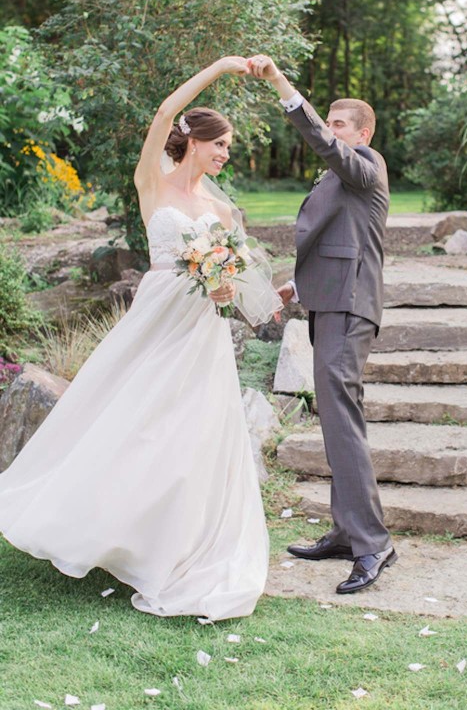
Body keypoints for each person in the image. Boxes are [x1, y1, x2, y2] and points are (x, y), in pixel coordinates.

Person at [0, 55, 281, 619]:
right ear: (193, 141)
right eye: (219, 144)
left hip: (201, 328)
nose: (225, 154)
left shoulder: (220, 205)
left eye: (228, 147)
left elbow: (239, 272)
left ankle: (173, 544)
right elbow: (163, 110)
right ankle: (93, 523)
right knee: (127, 417)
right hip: (156, 321)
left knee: (193, 432)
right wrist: (223, 67)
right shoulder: (152, 182)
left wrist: (228, 289)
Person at [247, 54, 396, 594]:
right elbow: (338, 243)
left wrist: (283, 87)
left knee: (344, 422)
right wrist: (294, 286)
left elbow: (328, 149)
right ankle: (346, 532)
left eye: (339, 125)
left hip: (351, 308)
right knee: (335, 422)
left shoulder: (366, 164)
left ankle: (373, 544)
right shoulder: (343, 179)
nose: (331, 132)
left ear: (363, 132)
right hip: (329, 302)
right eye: (328, 122)